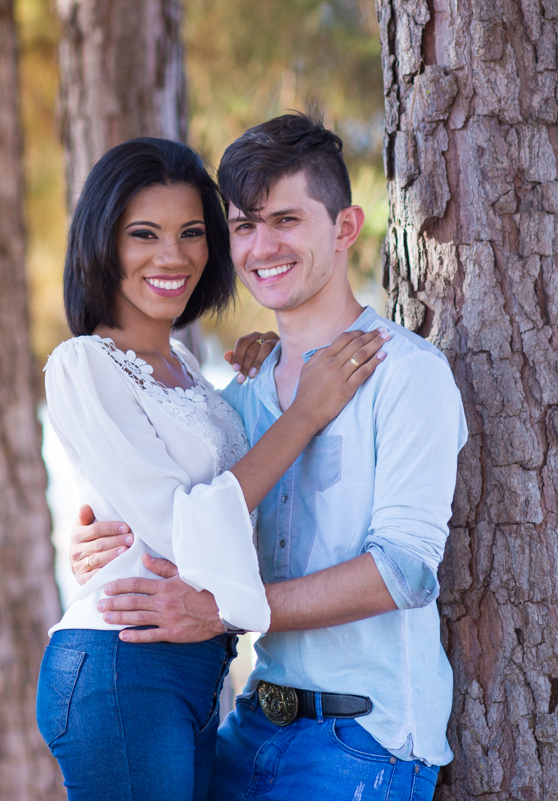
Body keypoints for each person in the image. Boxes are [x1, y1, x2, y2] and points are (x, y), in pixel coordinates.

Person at [68, 115, 468, 801]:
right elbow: (193, 526)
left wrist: (223, 611)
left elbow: (400, 571)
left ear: (345, 228)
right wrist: (114, 538)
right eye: (244, 225)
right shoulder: (237, 397)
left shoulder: (407, 374)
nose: (262, 246)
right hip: (249, 728)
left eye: (286, 220)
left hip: (361, 744)